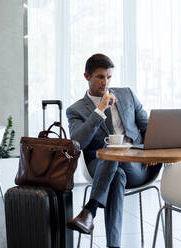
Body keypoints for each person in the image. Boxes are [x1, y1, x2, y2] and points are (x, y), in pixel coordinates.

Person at [66, 54, 161, 248]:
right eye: (100, 77)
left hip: (136, 165)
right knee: (114, 170)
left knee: (114, 160)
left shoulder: (127, 95)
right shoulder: (75, 110)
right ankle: (113, 245)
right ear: (87, 76)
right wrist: (99, 110)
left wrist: (151, 152)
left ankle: (89, 211)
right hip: (99, 165)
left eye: (109, 77)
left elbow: (149, 128)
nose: (106, 82)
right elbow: (77, 142)